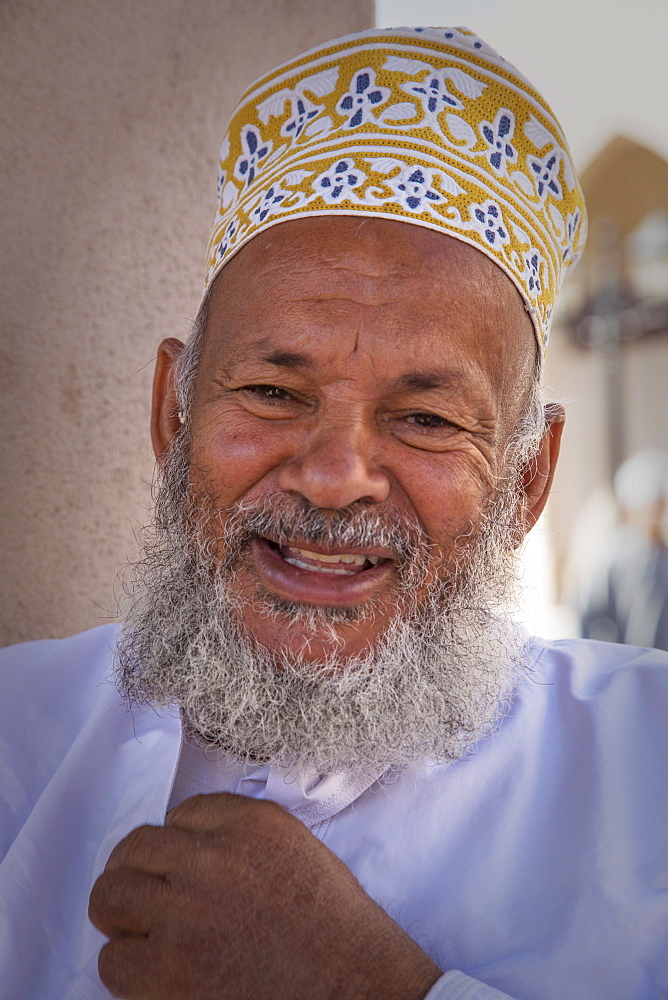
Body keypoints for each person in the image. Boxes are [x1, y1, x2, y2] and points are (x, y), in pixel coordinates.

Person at [1, 26, 666, 1000]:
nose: (334, 474)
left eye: (427, 417)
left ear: (527, 482)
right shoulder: (16, 736)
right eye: (273, 393)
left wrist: (365, 987)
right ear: (172, 415)